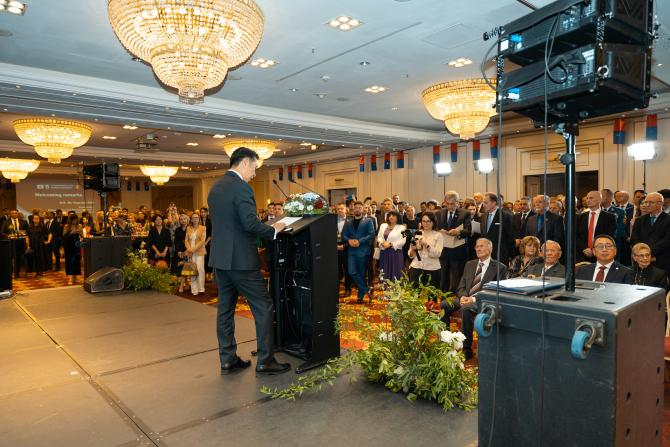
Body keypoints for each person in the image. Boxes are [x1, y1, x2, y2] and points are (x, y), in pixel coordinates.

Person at [208, 147, 289, 375]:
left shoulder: (216, 187)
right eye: (254, 168)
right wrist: (274, 229)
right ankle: (266, 360)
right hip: (241, 261)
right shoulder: (241, 188)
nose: (254, 174)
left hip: (220, 260)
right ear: (244, 163)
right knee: (263, 307)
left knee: (225, 310)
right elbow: (250, 224)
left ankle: (228, 359)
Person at [454, 238, 507, 360]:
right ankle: (446, 340)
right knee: (444, 305)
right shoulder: (470, 264)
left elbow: (496, 291)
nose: (478, 249)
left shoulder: (500, 267)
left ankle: (466, 348)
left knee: (466, 309)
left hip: (483, 301)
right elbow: (461, 285)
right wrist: (463, 297)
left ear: (490, 249)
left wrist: (473, 299)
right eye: (477, 246)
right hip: (465, 298)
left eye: (481, 246)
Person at [436, 191, 471, 293]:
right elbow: (435, 228)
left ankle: (456, 298)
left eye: (452, 204)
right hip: (443, 251)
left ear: (457, 202)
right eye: (447, 204)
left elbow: (469, 230)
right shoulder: (439, 213)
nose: (450, 206)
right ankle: (442, 296)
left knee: (457, 278)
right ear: (444, 202)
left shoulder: (465, 213)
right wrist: (439, 231)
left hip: (458, 251)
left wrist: (459, 232)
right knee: (442, 277)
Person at [342, 201, 376, 304]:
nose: (357, 209)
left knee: (361, 273)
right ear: (353, 209)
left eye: (359, 208)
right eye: (356, 207)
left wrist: (360, 241)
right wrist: (349, 241)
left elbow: (372, 234)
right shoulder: (348, 222)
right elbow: (344, 235)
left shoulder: (368, 221)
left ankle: (360, 297)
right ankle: (367, 289)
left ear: (363, 209)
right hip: (351, 251)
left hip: (363, 251)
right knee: (351, 272)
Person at [630, 192, 670, 277]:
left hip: (660, 260)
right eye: (646, 202)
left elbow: (667, 241)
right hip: (640, 261)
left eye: (650, 202)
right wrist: (642, 254)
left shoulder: (668, 219)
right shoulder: (639, 220)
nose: (647, 205)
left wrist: (649, 254)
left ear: (660, 203)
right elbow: (634, 239)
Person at [576, 190, 616, 263]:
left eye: (591, 198)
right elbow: (576, 236)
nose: (588, 200)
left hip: (601, 253)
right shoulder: (580, 217)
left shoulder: (609, 217)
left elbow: (610, 236)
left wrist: (596, 249)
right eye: (587, 198)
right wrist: (584, 248)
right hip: (582, 254)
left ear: (599, 200)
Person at [408, 211, 443, 291]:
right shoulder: (417, 233)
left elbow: (437, 254)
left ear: (433, 222)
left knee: (431, 295)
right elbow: (410, 255)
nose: (426, 223)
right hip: (416, 267)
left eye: (428, 221)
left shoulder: (438, 235)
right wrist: (413, 249)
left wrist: (426, 245)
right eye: (423, 221)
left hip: (432, 269)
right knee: (414, 294)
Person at [479, 192, 515, 265]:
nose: (483, 205)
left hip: (500, 256)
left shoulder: (506, 216)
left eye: (486, 203)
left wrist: (511, 255)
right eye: (483, 203)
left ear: (494, 203)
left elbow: (510, 238)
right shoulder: (483, 216)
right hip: (485, 255)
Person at [376, 210, 406, 282]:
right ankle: (383, 286)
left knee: (395, 273)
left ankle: (396, 287)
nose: (391, 217)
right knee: (383, 272)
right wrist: (382, 243)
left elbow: (403, 241)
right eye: (389, 215)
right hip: (384, 252)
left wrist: (390, 244)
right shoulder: (383, 225)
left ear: (398, 217)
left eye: (393, 215)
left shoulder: (402, 227)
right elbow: (379, 237)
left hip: (395, 253)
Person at [185, 212, 207, 296]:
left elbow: (202, 241)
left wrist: (193, 249)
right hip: (190, 252)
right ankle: (194, 289)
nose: (195, 219)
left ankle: (201, 289)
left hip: (200, 252)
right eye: (193, 218)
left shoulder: (203, 228)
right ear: (191, 219)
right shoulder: (188, 228)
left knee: (200, 270)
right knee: (193, 270)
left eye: (197, 217)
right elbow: (186, 240)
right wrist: (189, 249)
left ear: (199, 219)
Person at [336, 203, 352, 297]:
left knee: (348, 270)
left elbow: (353, 236)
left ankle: (347, 289)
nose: (340, 210)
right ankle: (336, 289)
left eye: (342, 208)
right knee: (336, 270)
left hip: (347, 248)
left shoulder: (351, 221)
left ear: (346, 210)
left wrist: (345, 246)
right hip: (335, 249)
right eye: (338, 209)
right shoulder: (332, 221)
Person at [26, 214, 48, 278]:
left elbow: (50, 234)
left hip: (40, 245)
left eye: (37, 218)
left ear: (39, 219)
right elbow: (27, 237)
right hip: (32, 245)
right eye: (35, 218)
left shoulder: (43, 227)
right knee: (34, 258)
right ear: (32, 219)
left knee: (40, 257)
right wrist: (28, 245)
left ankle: (40, 272)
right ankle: (35, 271)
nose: (36, 219)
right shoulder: (29, 227)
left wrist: (48, 241)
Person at [172, 213, 190, 293]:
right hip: (179, 251)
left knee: (185, 268)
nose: (183, 221)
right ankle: (186, 284)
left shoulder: (190, 228)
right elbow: (176, 241)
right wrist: (178, 251)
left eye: (184, 219)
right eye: (181, 219)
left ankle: (181, 285)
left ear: (188, 220)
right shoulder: (177, 229)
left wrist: (187, 250)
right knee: (181, 268)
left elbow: (191, 241)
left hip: (188, 251)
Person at [62, 214, 82, 285]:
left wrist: (78, 232)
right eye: (73, 220)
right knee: (70, 261)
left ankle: (75, 277)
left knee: (76, 261)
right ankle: (70, 278)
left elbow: (82, 235)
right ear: (70, 220)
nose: (75, 221)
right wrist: (71, 233)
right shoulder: (66, 226)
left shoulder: (79, 226)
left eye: (76, 220)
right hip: (69, 246)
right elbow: (64, 236)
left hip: (76, 245)